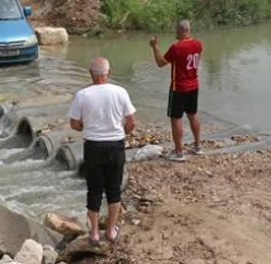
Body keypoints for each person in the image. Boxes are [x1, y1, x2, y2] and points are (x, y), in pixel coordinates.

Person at [69, 57, 136, 245]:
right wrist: (121, 133)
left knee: (94, 191)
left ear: (90, 74)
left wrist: (86, 127)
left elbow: (74, 124)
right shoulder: (120, 92)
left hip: (93, 146)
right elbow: (132, 122)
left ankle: (95, 232)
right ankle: (112, 231)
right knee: (114, 190)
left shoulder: (83, 95)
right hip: (116, 145)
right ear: (109, 73)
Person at [149, 19, 203, 162]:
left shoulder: (177, 47)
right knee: (192, 114)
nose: (175, 33)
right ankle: (198, 146)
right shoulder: (198, 44)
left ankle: (179, 152)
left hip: (179, 87)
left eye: (176, 31)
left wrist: (154, 47)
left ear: (180, 31)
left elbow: (161, 63)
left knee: (176, 118)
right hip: (194, 84)